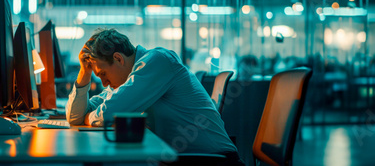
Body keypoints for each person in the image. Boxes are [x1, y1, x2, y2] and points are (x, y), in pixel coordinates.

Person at [66, 28, 243, 165]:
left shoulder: (157, 61)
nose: (104, 83)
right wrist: (84, 74)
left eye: (103, 73)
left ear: (119, 59)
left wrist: (89, 117)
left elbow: (106, 116)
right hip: (182, 159)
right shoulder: (125, 82)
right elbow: (74, 118)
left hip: (213, 161)